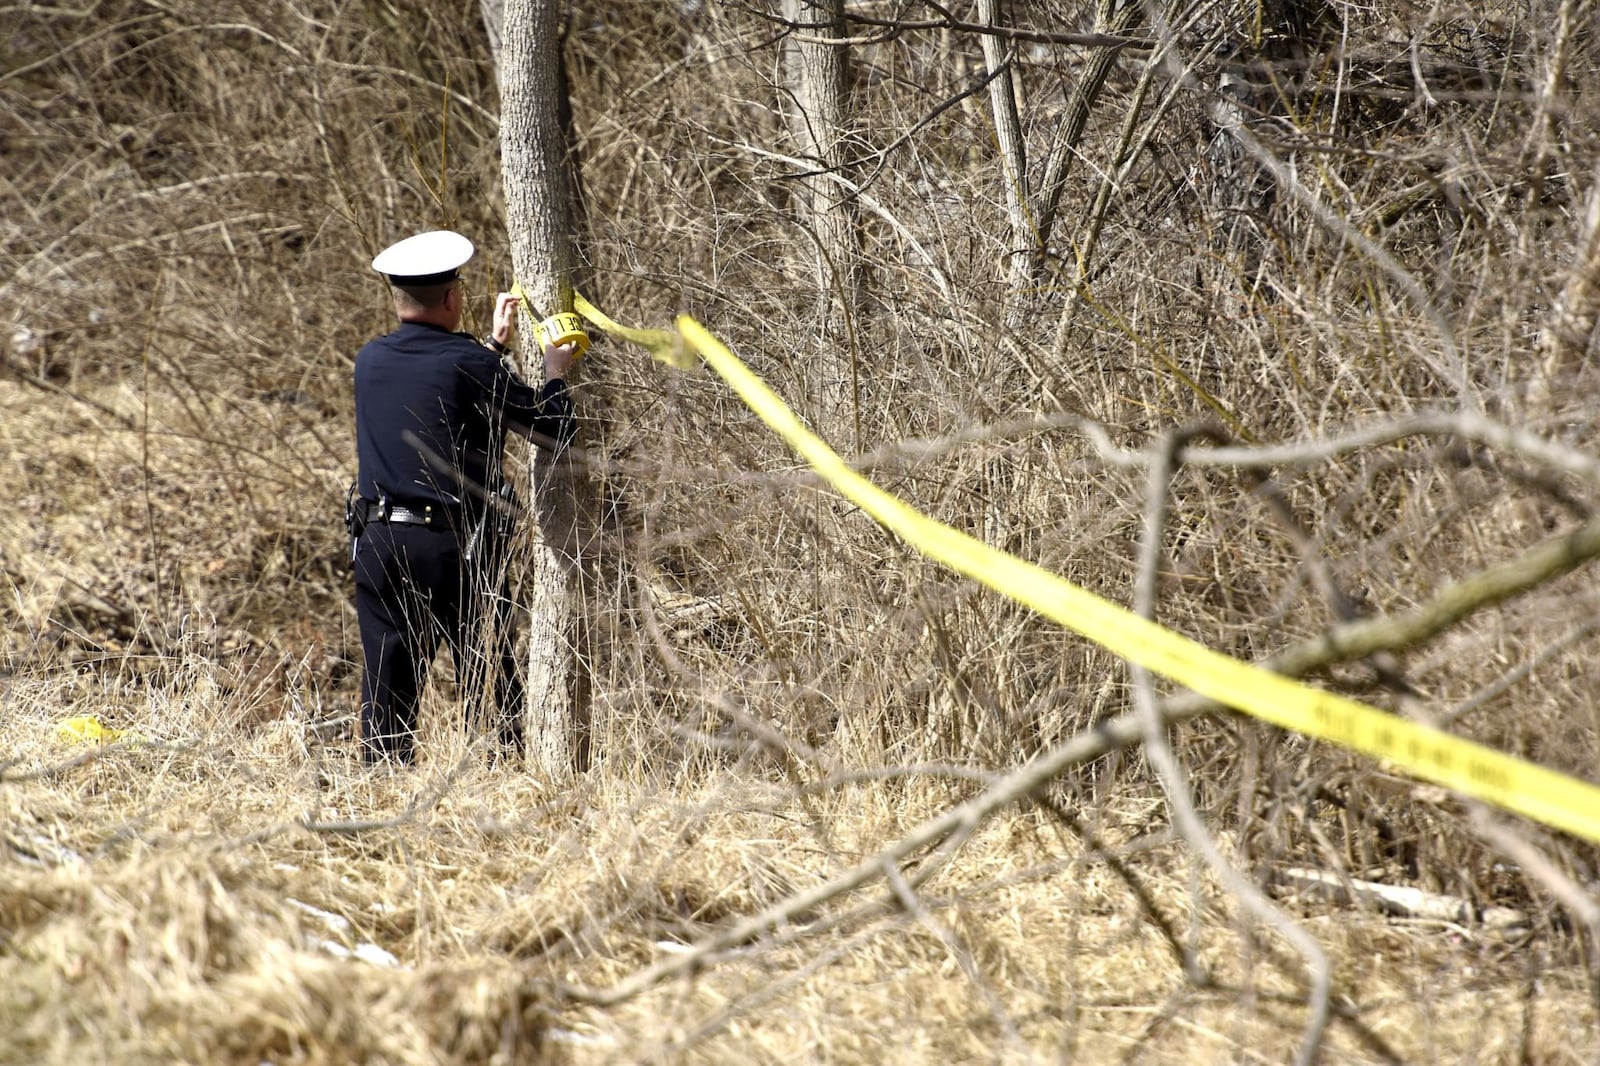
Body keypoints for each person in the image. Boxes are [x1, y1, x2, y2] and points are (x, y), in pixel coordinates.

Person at [349, 230, 578, 764]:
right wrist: (553, 373)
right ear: (453, 298)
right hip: (449, 548)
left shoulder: (370, 360)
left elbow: (441, 402)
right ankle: (511, 771)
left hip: (378, 540)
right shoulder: (467, 363)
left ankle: (381, 786)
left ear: (397, 297)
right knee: (488, 672)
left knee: (387, 680)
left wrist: (495, 348)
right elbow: (551, 431)